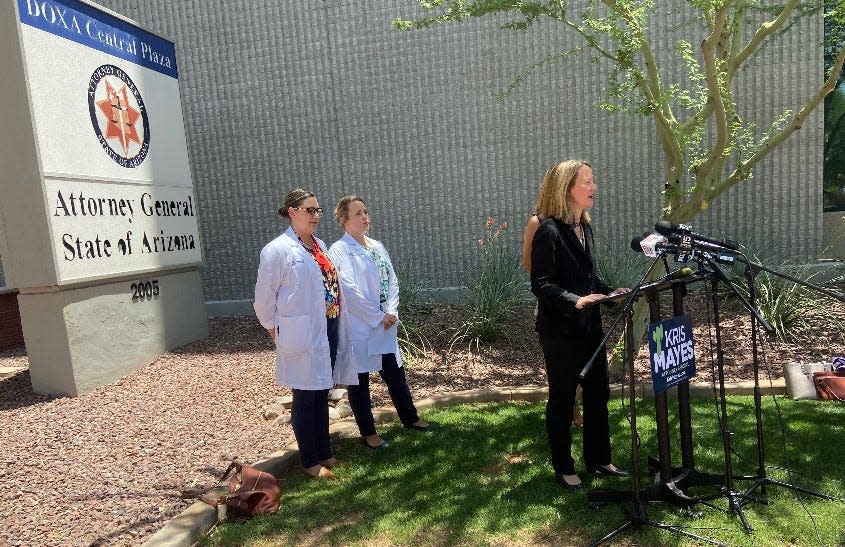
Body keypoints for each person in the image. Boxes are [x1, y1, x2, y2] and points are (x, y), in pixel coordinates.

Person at [529, 160, 629, 490]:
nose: (594, 187)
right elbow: (541, 284)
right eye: (587, 181)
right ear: (566, 188)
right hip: (560, 331)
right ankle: (563, 466)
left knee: (598, 393)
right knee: (562, 397)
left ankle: (599, 458)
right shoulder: (548, 230)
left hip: (590, 328)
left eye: (592, 180)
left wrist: (607, 292)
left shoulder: (584, 228)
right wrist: (574, 300)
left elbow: (586, 277)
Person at [254, 188, 358, 479]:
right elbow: (264, 297)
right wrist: (272, 328)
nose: (315, 216)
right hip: (301, 332)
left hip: (328, 327)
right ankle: (311, 461)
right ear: (292, 212)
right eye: (309, 210)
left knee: (321, 393)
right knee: (304, 396)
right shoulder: (276, 250)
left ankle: (325, 453)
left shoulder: (319, 244)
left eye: (317, 210)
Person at [328, 195, 432, 450]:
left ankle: (410, 418)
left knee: (395, 374)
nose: (365, 217)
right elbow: (349, 290)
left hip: (385, 324)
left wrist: (392, 311)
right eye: (358, 214)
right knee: (360, 382)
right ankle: (369, 433)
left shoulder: (376, 246)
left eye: (366, 212)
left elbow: (392, 279)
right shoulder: (339, 250)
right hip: (361, 327)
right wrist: (377, 316)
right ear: (344, 221)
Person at [522, 193, 584, 429]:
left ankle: (573, 406)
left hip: (581, 302)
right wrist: (554, 290)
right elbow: (529, 263)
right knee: (557, 364)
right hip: (552, 304)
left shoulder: (577, 221)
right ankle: (567, 410)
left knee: (578, 360)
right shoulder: (537, 222)